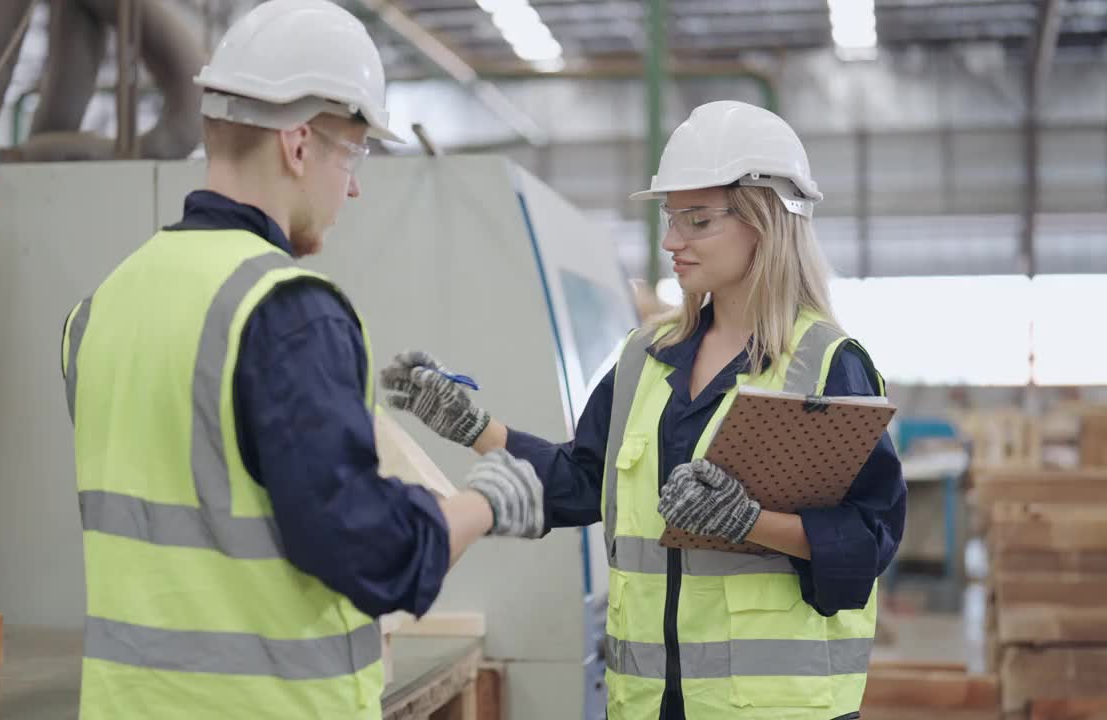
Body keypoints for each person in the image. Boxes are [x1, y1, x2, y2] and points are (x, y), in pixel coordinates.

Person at [58, 1, 545, 717]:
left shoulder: (100, 307)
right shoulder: (287, 310)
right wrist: (483, 502)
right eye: (351, 153)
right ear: (297, 145)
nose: (352, 185)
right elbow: (367, 552)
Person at [381, 100, 906, 720]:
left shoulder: (823, 366)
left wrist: (751, 522)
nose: (671, 242)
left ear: (766, 221)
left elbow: (869, 539)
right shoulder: (645, 358)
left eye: (697, 220)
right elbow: (580, 482)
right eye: (669, 217)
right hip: (650, 703)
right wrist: (473, 427)